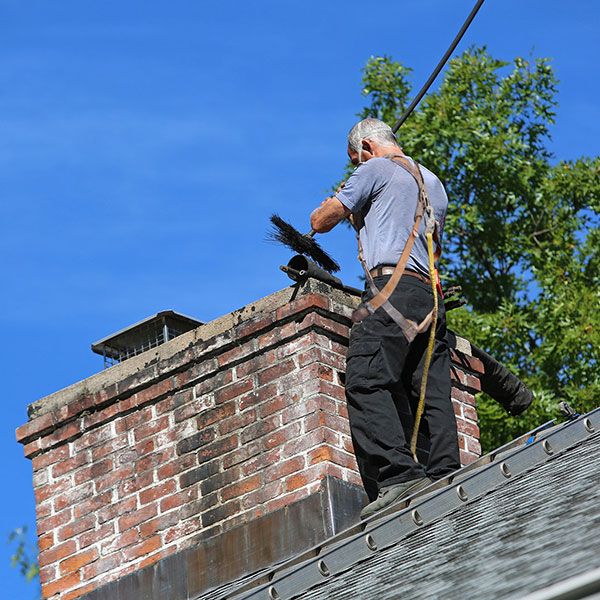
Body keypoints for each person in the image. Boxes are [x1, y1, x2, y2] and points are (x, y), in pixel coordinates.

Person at [310, 118, 460, 519]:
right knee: (430, 392)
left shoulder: (372, 168)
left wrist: (340, 196)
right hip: (429, 295)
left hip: (390, 289)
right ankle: (447, 472)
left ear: (368, 147)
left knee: (366, 378)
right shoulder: (433, 182)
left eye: (353, 158)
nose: (353, 164)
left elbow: (320, 221)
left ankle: (398, 476)